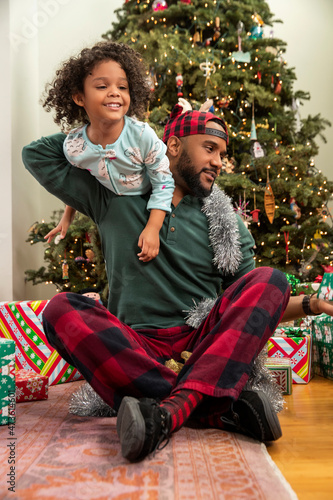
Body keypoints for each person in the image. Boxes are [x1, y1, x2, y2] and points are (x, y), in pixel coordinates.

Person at [22, 100, 333, 464]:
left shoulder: (227, 223)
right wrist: (112, 129)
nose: (219, 162)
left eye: (223, 153)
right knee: (61, 310)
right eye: (209, 148)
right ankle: (216, 408)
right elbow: (37, 156)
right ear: (172, 146)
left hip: (203, 344)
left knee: (272, 280)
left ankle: (167, 411)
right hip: (137, 345)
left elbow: (253, 309)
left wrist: (314, 305)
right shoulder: (114, 193)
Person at [42, 41, 174, 262]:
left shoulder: (142, 135)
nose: (115, 93)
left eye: (122, 87)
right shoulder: (74, 145)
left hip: (150, 199)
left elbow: (163, 182)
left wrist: (153, 227)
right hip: (111, 206)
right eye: (102, 86)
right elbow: (78, 181)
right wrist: (67, 217)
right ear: (79, 97)